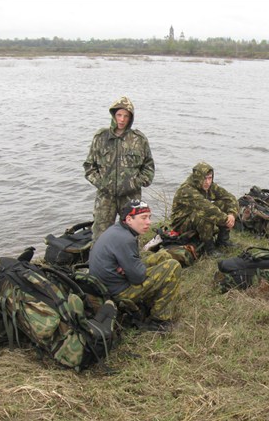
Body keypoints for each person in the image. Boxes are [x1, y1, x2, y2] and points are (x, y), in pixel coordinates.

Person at [89, 200, 183, 332]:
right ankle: (159, 321)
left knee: (163, 256)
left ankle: (154, 299)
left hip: (108, 284)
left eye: (149, 217)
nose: (148, 222)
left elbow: (133, 265)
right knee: (173, 266)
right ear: (129, 219)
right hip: (118, 293)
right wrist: (132, 270)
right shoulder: (125, 239)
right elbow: (138, 278)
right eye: (143, 218)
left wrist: (128, 268)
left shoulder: (117, 230)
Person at [83, 96, 155, 241]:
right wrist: (102, 184)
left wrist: (135, 183)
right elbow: (89, 167)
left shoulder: (139, 140)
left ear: (131, 118)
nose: (122, 120)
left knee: (130, 236)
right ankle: (100, 263)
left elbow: (149, 168)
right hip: (105, 197)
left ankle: (128, 263)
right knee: (100, 235)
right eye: (119, 115)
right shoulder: (100, 137)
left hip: (130, 197)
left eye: (126, 116)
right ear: (113, 115)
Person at [170, 162, 239, 257]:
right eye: (204, 178)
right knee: (205, 213)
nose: (207, 182)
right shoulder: (187, 190)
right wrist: (227, 220)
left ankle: (222, 241)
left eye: (210, 178)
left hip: (195, 216)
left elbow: (230, 197)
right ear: (198, 178)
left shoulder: (208, 185)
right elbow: (207, 208)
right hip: (181, 223)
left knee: (225, 204)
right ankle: (209, 249)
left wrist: (232, 214)